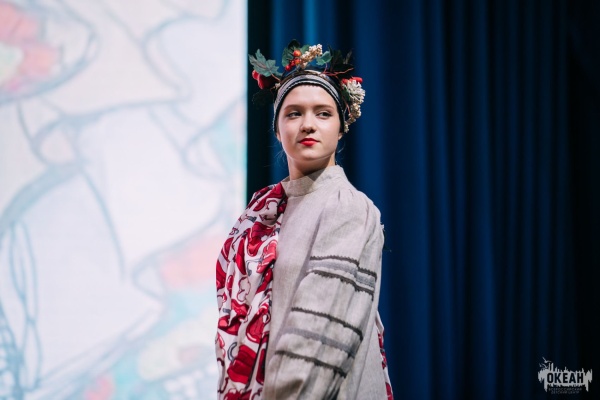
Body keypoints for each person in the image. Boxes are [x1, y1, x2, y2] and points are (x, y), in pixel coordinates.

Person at [215, 40, 393, 399]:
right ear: (277, 129)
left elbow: (319, 342)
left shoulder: (347, 208)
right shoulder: (263, 212)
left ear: (341, 128)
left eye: (323, 114)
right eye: (294, 114)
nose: (308, 125)